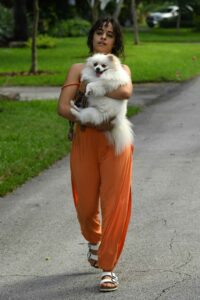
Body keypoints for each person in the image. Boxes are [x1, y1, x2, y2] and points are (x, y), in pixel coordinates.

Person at [58, 16, 134, 292]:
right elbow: (63, 107)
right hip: (86, 139)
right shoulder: (78, 68)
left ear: (116, 42)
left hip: (115, 141)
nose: (103, 37)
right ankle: (94, 240)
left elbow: (125, 89)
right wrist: (87, 119)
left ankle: (109, 268)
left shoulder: (121, 67)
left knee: (115, 203)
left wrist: (101, 91)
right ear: (91, 37)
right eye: (99, 32)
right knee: (86, 205)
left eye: (110, 34)